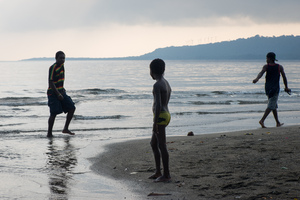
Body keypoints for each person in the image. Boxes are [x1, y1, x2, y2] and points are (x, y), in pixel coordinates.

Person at [149, 58, 172, 182]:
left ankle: (166, 174)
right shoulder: (166, 82)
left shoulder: (157, 85)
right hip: (165, 114)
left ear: (152, 71)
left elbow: (158, 104)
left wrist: (155, 123)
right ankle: (158, 171)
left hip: (160, 116)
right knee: (153, 144)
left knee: (162, 145)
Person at [253, 52, 290, 128]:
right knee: (271, 105)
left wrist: (257, 79)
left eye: (266, 58)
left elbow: (261, 73)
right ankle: (262, 120)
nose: (266, 59)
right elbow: (284, 77)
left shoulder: (266, 66)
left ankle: (278, 122)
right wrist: (286, 87)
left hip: (268, 88)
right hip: (275, 88)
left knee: (273, 105)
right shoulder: (279, 67)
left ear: (269, 58)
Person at [47, 51, 76, 137]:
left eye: (64, 58)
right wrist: (58, 94)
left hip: (62, 92)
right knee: (53, 113)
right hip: (53, 93)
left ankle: (65, 128)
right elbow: (51, 82)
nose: (62, 60)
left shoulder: (62, 66)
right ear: (56, 58)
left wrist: (62, 91)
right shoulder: (53, 67)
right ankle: (49, 133)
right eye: (60, 58)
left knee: (71, 108)